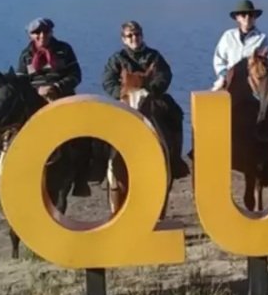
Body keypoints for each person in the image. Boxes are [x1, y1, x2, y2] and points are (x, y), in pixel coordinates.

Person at [101, 20, 189, 178]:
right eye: (129, 36)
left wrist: (151, 90)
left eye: (137, 34)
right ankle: (103, 168)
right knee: (105, 124)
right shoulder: (117, 59)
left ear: (142, 36)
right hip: (125, 100)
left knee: (176, 114)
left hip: (152, 97)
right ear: (123, 39)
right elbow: (108, 81)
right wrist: (120, 93)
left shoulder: (154, 56)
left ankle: (175, 160)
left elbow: (164, 75)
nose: (134, 38)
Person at [16, 17, 91, 195]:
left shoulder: (64, 49)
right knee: (9, 123)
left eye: (45, 31)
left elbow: (76, 75)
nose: (42, 35)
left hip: (62, 98)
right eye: (37, 32)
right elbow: (21, 81)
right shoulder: (25, 54)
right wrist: (36, 91)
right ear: (30, 35)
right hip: (35, 101)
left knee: (83, 134)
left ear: (51, 32)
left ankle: (81, 179)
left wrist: (56, 87)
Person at [212, 0, 268, 90]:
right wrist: (225, 75)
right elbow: (219, 59)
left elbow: (263, 64)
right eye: (243, 15)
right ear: (237, 18)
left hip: (252, 82)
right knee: (214, 94)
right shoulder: (228, 36)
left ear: (255, 17)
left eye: (251, 15)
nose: (247, 18)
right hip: (228, 79)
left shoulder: (262, 38)